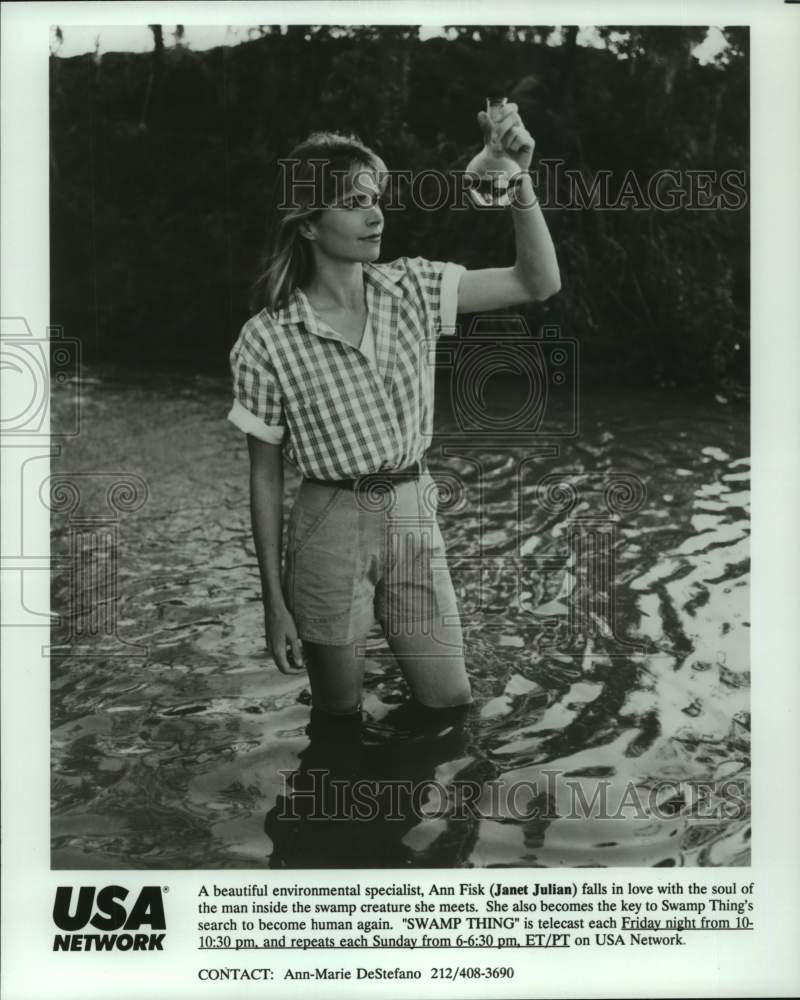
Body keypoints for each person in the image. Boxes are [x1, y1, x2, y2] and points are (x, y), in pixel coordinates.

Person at [228, 102, 560, 725]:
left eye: (375, 197)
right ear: (307, 222)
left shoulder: (414, 288)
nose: (375, 212)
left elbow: (536, 282)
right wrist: (273, 601)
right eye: (354, 201)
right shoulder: (266, 339)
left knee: (449, 706)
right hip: (327, 522)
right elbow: (264, 477)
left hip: (413, 512)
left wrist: (517, 180)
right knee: (338, 718)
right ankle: (346, 816)